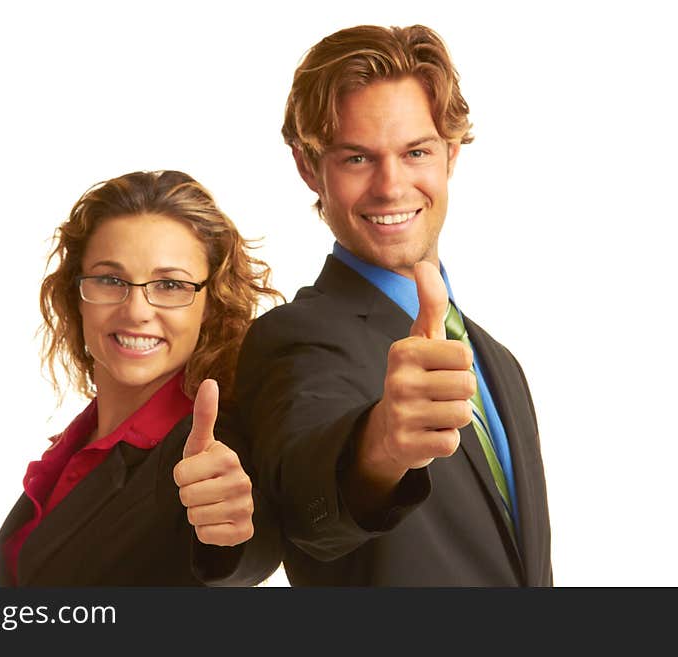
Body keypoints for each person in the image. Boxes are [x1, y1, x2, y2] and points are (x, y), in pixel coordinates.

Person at [234, 25, 552, 586]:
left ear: (449, 155)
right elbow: (306, 502)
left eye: (416, 152)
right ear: (310, 168)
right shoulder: (295, 342)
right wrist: (379, 446)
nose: (390, 185)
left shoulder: (498, 362)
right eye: (357, 158)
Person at [0, 169, 283, 586]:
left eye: (170, 285)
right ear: (76, 295)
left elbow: (243, 544)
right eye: (111, 280)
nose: (136, 310)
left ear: (211, 305)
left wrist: (232, 534)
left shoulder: (210, 450)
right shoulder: (79, 443)